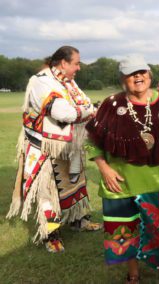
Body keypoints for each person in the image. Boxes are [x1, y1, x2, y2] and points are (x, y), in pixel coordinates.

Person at [85, 55, 159, 284]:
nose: (138, 76)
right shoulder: (111, 104)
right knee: (127, 230)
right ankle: (134, 275)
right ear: (122, 79)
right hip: (121, 182)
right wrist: (104, 167)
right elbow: (91, 140)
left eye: (142, 72)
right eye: (131, 73)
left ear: (150, 75)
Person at [6, 45, 102, 253]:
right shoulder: (41, 81)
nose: (79, 68)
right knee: (47, 192)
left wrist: (88, 109)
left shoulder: (69, 82)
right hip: (44, 148)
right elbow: (64, 113)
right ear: (63, 63)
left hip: (68, 145)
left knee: (74, 183)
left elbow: (83, 104)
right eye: (76, 63)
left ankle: (78, 220)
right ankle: (50, 234)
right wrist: (89, 110)